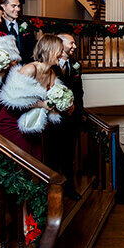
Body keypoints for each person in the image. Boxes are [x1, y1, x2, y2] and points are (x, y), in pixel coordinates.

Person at [0, 34, 67, 161]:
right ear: (50, 51)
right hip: (12, 121)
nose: (62, 54)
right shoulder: (29, 69)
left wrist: (60, 104)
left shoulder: (52, 74)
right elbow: (13, 100)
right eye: (60, 51)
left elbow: (52, 100)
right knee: (18, 163)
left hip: (31, 123)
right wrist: (41, 104)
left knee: (36, 161)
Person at [46, 32, 84, 200]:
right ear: (60, 46)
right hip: (54, 119)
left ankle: (69, 189)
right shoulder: (49, 66)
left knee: (69, 157)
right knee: (52, 157)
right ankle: (52, 192)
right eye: (71, 43)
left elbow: (80, 92)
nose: (74, 46)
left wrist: (78, 113)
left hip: (72, 119)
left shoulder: (76, 65)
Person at [0, 0, 37, 64]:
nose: (18, 9)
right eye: (13, 6)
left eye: (18, 6)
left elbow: (33, 47)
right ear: (3, 7)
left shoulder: (26, 24)